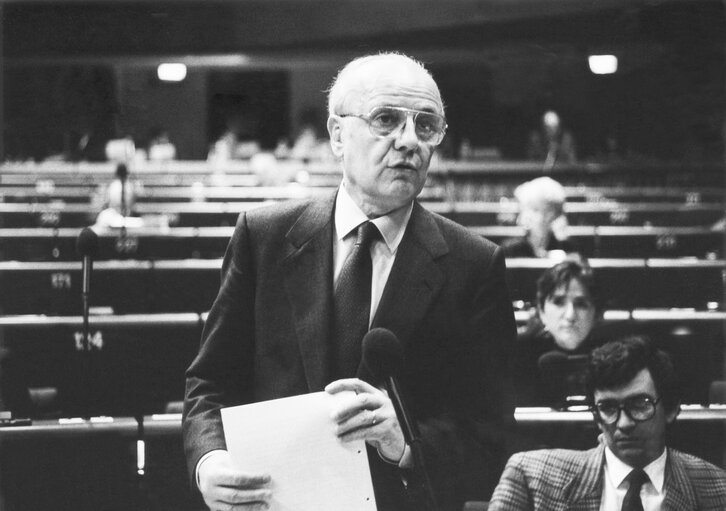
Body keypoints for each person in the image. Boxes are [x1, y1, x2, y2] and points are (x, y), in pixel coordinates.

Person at [183, 52, 517, 511]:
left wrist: (406, 442)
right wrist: (210, 460)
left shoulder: (474, 265)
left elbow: (491, 433)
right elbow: (211, 382)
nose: (408, 141)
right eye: (386, 119)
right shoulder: (263, 237)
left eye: (426, 125)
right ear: (338, 135)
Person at [489, 336, 726, 510]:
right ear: (597, 417)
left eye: (640, 404)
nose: (623, 423)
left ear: (671, 409)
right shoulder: (531, 477)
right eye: (608, 408)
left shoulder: (717, 488)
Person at [513, 258, 603, 408]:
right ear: (541, 311)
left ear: (596, 314)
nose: (570, 316)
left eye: (581, 304)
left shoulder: (612, 358)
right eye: (559, 302)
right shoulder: (517, 358)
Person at [501, 176, 577, 258]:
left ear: (550, 214)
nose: (526, 215)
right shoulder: (510, 249)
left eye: (534, 209)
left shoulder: (566, 249)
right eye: (524, 209)